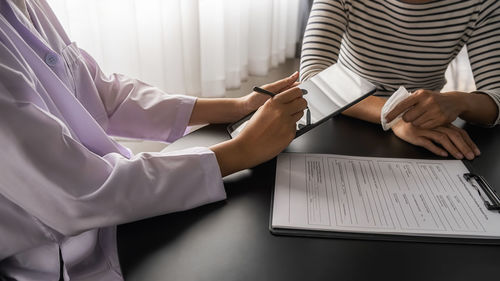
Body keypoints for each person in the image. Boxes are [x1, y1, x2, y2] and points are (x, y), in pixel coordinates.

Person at [0, 0, 308, 280]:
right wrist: (239, 152)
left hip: (120, 218)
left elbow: (97, 91)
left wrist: (237, 107)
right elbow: (78, 192)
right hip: (66, 262)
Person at [300, 0, 500, 160]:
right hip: (345, 114)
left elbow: (497, 96)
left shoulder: (482, 4)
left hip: (423, 128)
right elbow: (312, 80)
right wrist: (394, 115)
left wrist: (460, 101)